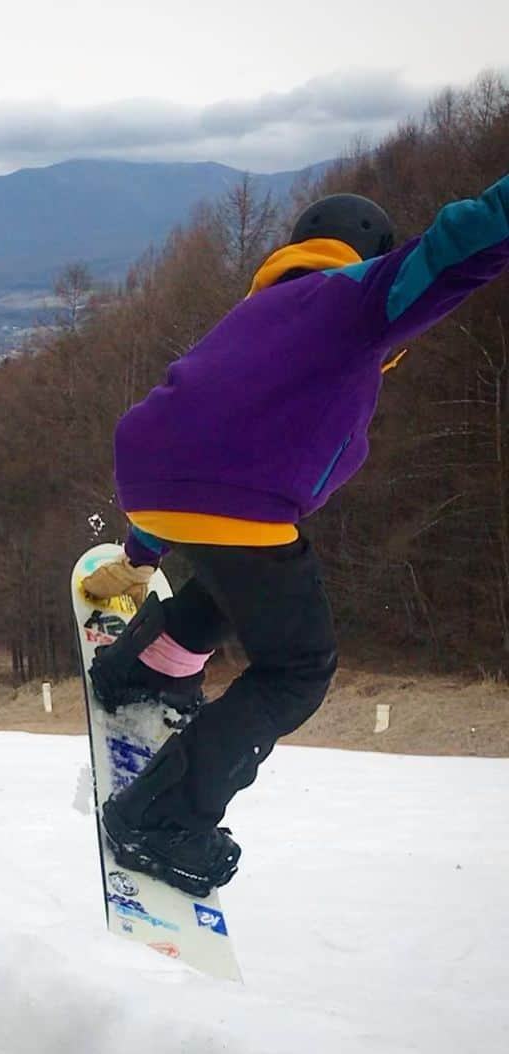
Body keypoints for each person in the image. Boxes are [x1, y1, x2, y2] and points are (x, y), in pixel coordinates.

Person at [83, 175, 509, 898]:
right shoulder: (357, 300)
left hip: (151, 472)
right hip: (233, 499)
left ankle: (143, 669)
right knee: (300, 665)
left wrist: (139, 554)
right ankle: (158, 816)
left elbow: (193, 440)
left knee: (249, 571)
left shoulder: (257, 315)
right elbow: (454, 246)